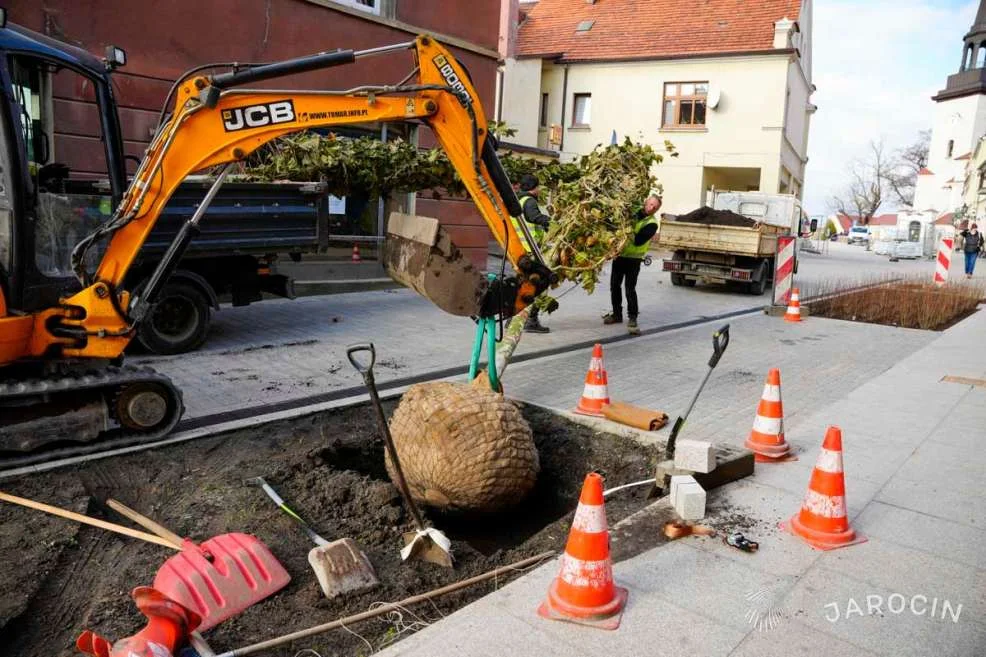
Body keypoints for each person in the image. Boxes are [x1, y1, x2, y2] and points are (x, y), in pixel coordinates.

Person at [603, 194, 661, 335]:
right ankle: (617, 315)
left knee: (630, 288)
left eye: (655, 207)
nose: (651, 207)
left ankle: (633, 318)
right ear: (646, 201)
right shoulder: (631, 210)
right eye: (650, 204)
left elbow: (638, 240)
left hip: (634, 260)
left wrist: (625, 228)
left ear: (657, 209)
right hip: (620, 256)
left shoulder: (652, 223)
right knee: (614, 286)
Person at [511, 174, 552, 333]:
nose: (540, 190)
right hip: (530, 251)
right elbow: (534, 217)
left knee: (522, 284)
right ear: (534, 188)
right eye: (539, 187)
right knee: (539, 283)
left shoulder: (517, 200)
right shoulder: (529, 201)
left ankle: (513, 318)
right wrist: (551, 222)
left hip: (520, 250)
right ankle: (531, 320)